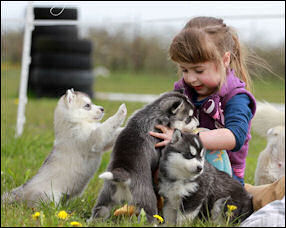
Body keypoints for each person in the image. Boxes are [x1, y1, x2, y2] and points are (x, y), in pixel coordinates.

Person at [149, 16, 256, 186]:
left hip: (224, 180)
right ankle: (146, 197)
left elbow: (234, 137)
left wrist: (184, 139)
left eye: (199, 70)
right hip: (185, 169)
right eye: (184, 70)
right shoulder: (183, 92)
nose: (191, 78)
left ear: (225, 60)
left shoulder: (236, 97)